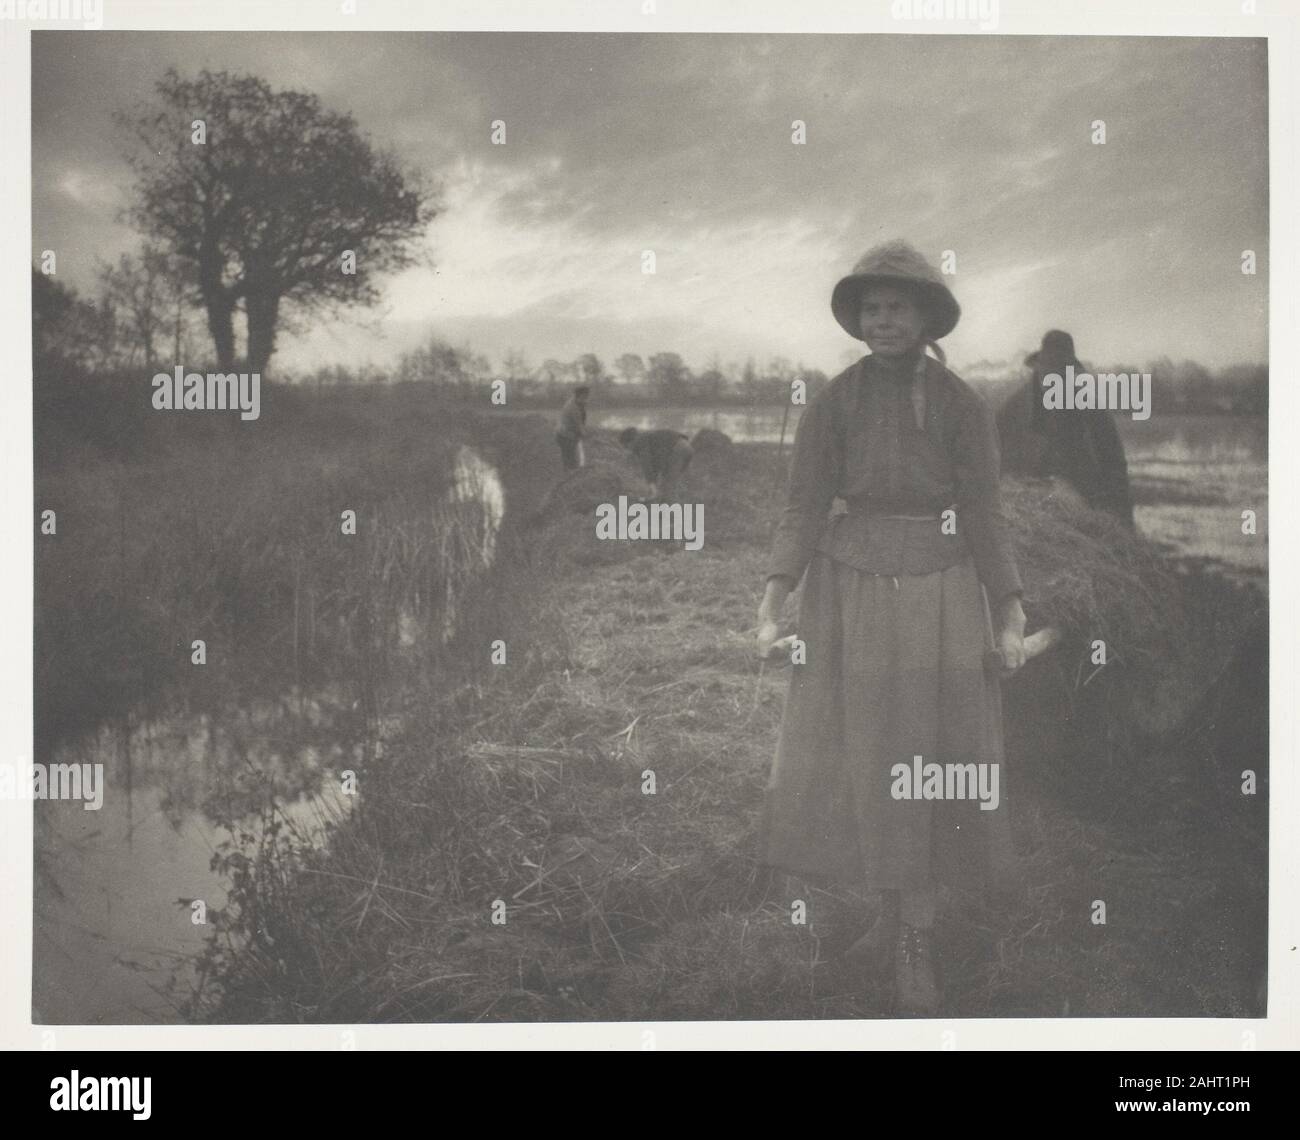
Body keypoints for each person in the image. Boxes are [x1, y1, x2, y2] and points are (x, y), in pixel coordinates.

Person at [754, 239, 1027, 1016]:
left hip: (940, 594)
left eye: (896, 307)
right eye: (870, 308)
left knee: (928, 756)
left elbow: (983, 512)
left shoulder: (961, 406)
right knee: (865, 755)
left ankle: (918, 938)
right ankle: (887, 912)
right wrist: (774, 596)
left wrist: (1008, 610)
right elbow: (804, 504)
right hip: (847, 595)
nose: (882, 321)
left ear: (926, 316)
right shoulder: (834, 402)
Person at [998, 330, 1135, 526]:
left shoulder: (1092, 410)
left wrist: (1124, 524)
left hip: (1081, 509)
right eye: (1050, 368)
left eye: (1062, 370)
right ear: (1038, 367)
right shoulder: (1011, 409)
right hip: (1028, 511)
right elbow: (989, 464)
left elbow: (1115, 467)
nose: (1055, 377)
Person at [619, 426, 694, 498]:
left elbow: (646, 463)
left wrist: (652, 485)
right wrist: (654, 483)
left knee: (667, 486)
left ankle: (664, 507)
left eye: (626, 447)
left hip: (678, 449)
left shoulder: (639, 441)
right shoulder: (649, 437)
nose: (629, 450)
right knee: (672, 483)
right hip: (687, 447)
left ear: (630, 441)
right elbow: (655, 466)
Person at [555, 385, 590, 472]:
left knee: (571, 457)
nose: (586, 398)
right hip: (564, 435)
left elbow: (582, 421)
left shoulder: (578, 403)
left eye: (587, 396)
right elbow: (579, 425)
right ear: (578, 395)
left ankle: (571, 474)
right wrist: (585, 435)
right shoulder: (572, 408)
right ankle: (570, 476)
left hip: (570, 433)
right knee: (570, 459)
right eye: (584, 396)